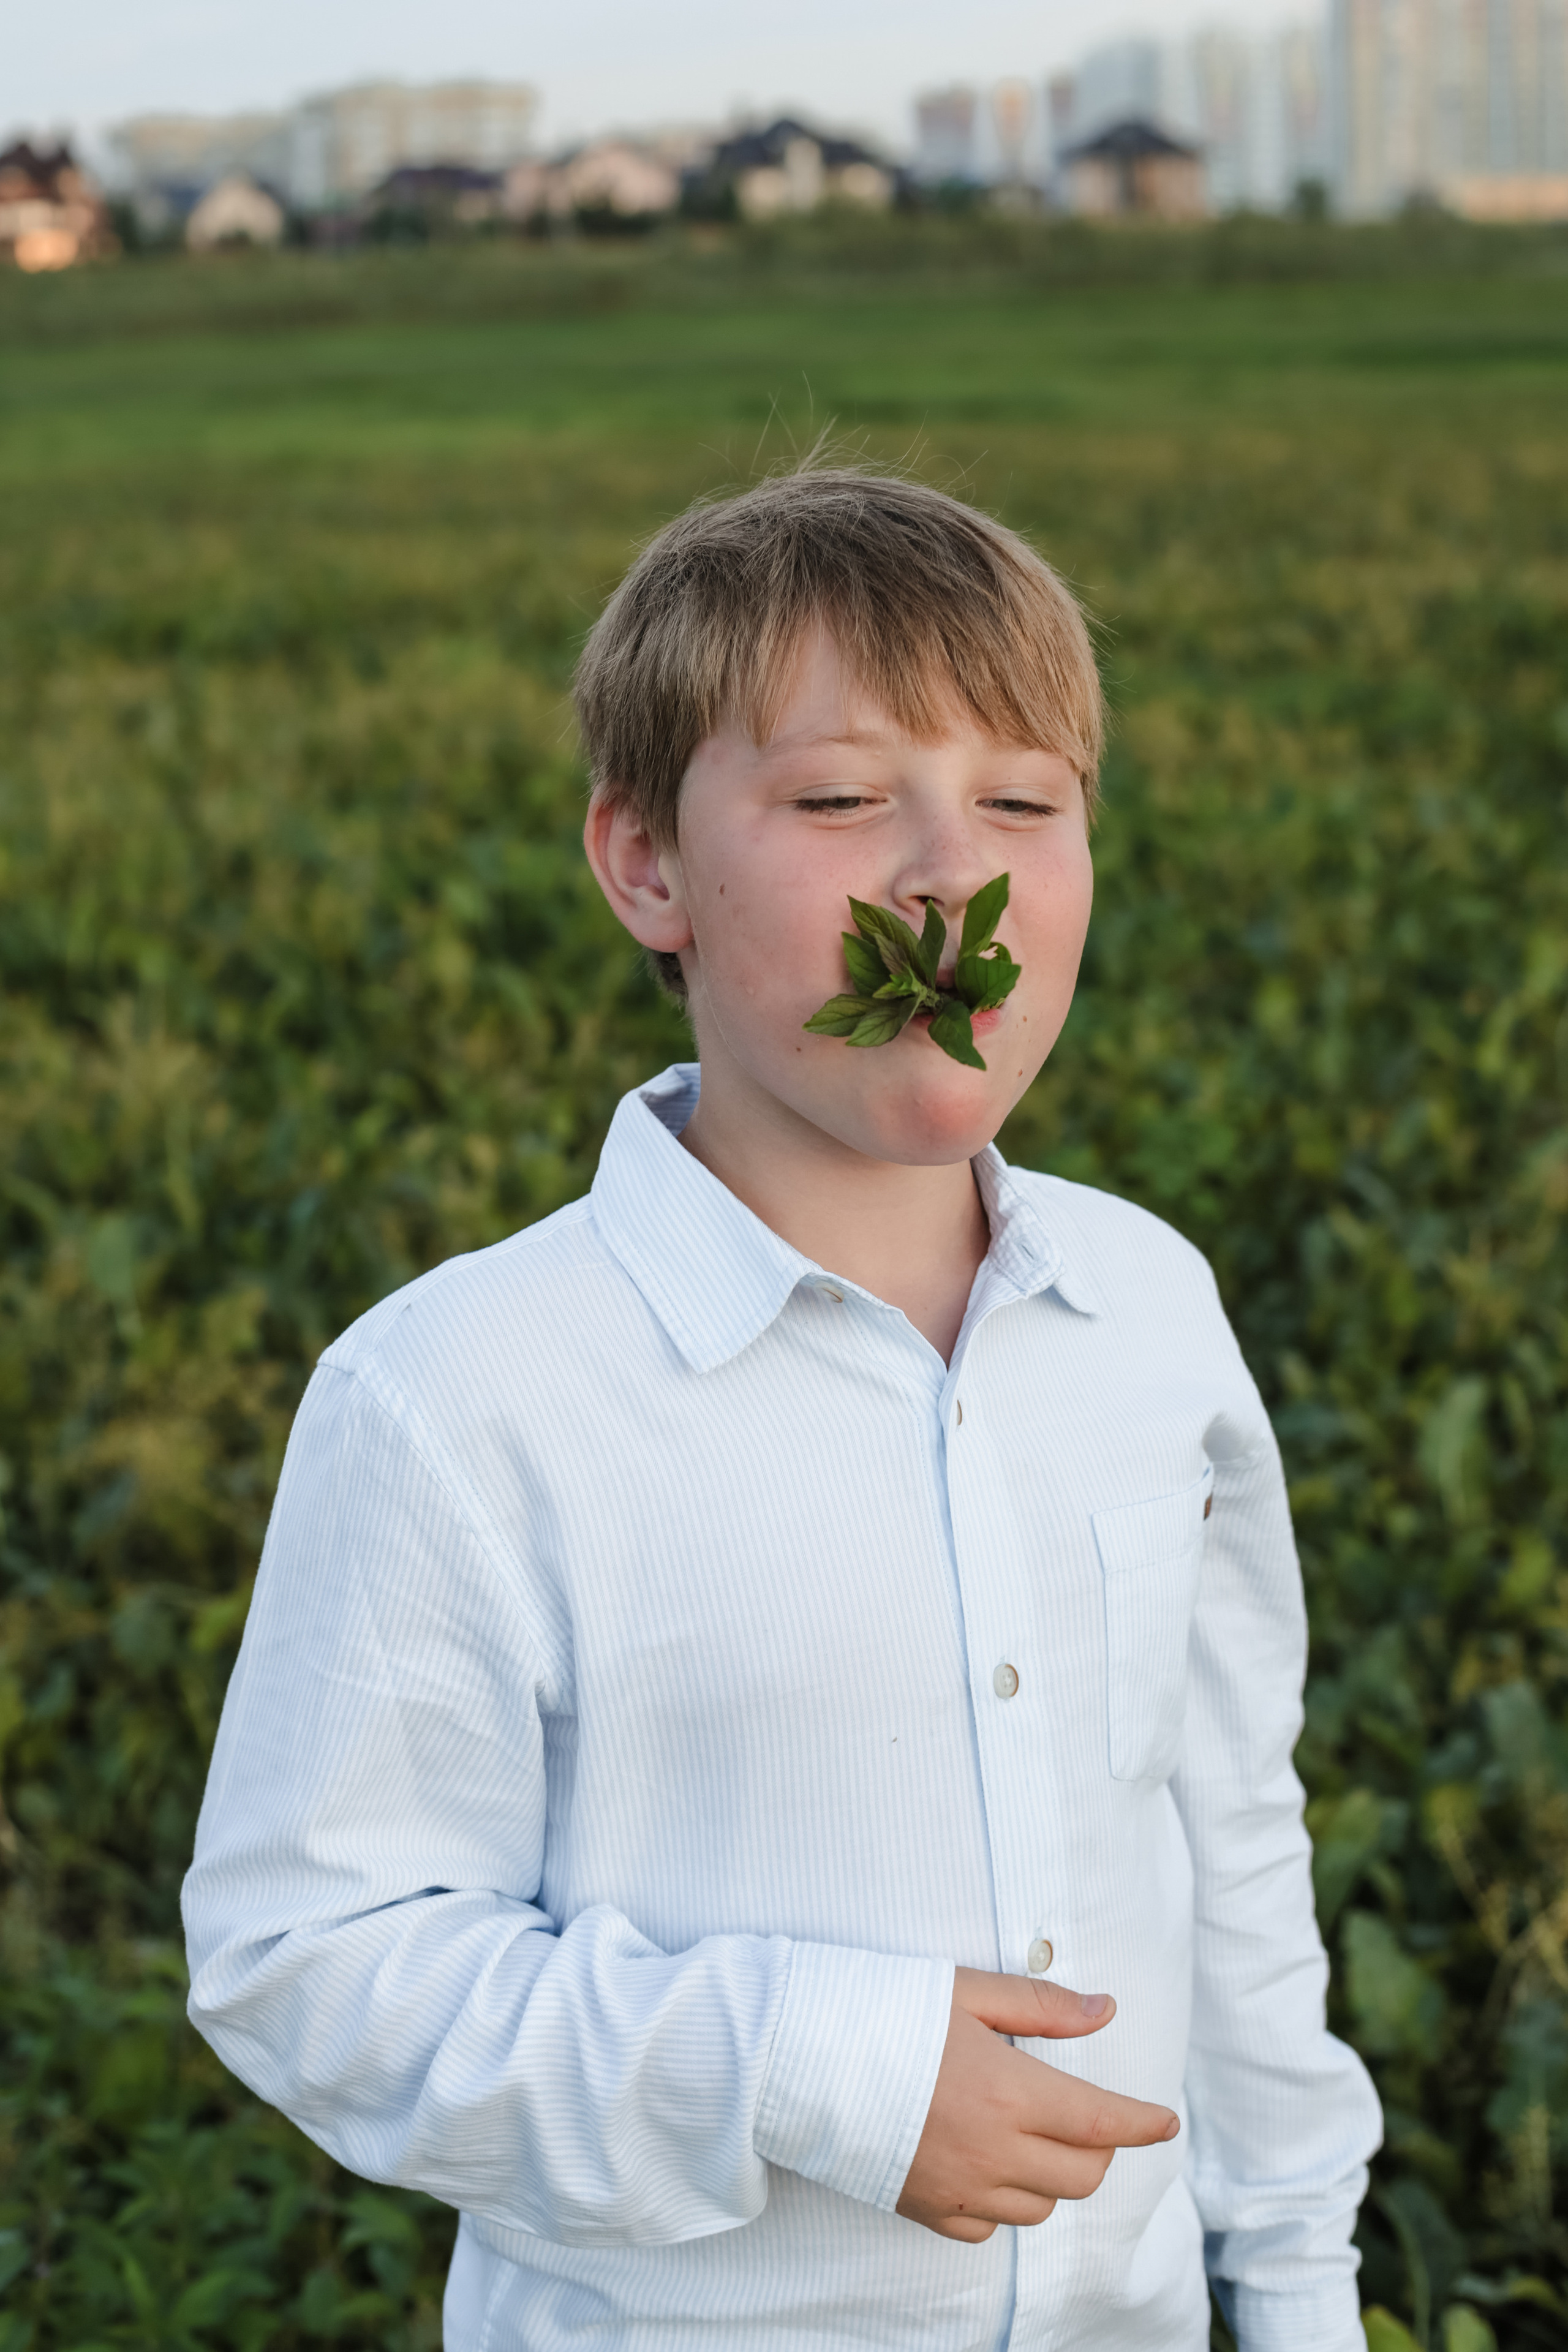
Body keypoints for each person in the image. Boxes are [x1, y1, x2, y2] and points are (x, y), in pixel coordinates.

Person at [183, 467, 1381, 2352]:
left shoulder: (1151, 1310)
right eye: (838, 801)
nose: (944, 879)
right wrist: (816, 2070)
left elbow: (1224, 1831)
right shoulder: (459, 1394)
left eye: (1022, 805)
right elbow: (307, 1962)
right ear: (645, 863)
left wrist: (1300, 2288)